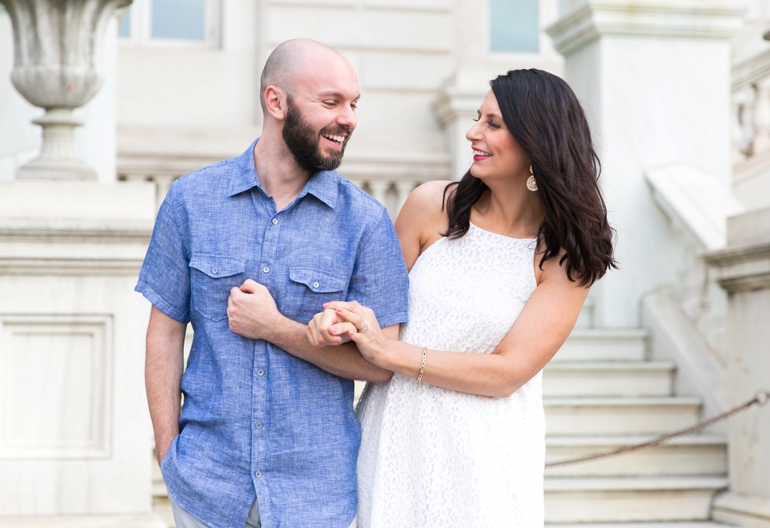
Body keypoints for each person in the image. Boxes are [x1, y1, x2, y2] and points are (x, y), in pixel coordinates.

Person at [309, 68, 616, 528]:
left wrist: (392, 352)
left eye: (493, 123)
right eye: (478, 118)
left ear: (538, 140)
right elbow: (374, 314)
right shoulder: (431, 206)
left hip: (486, 461)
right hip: (393, 437)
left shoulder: (563, 256)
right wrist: (338, 323)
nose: (473, 132)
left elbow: (507, 373)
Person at [139, 38, 409, 528]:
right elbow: (165, 330)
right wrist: (168, 452)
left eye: (353, 104)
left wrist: (276, 327)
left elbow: (382, 364)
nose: (348, 117)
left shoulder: (366, 222)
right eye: (331, 102)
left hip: (318, 497)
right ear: (276, 101)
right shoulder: (191, 201)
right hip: (207, 487)